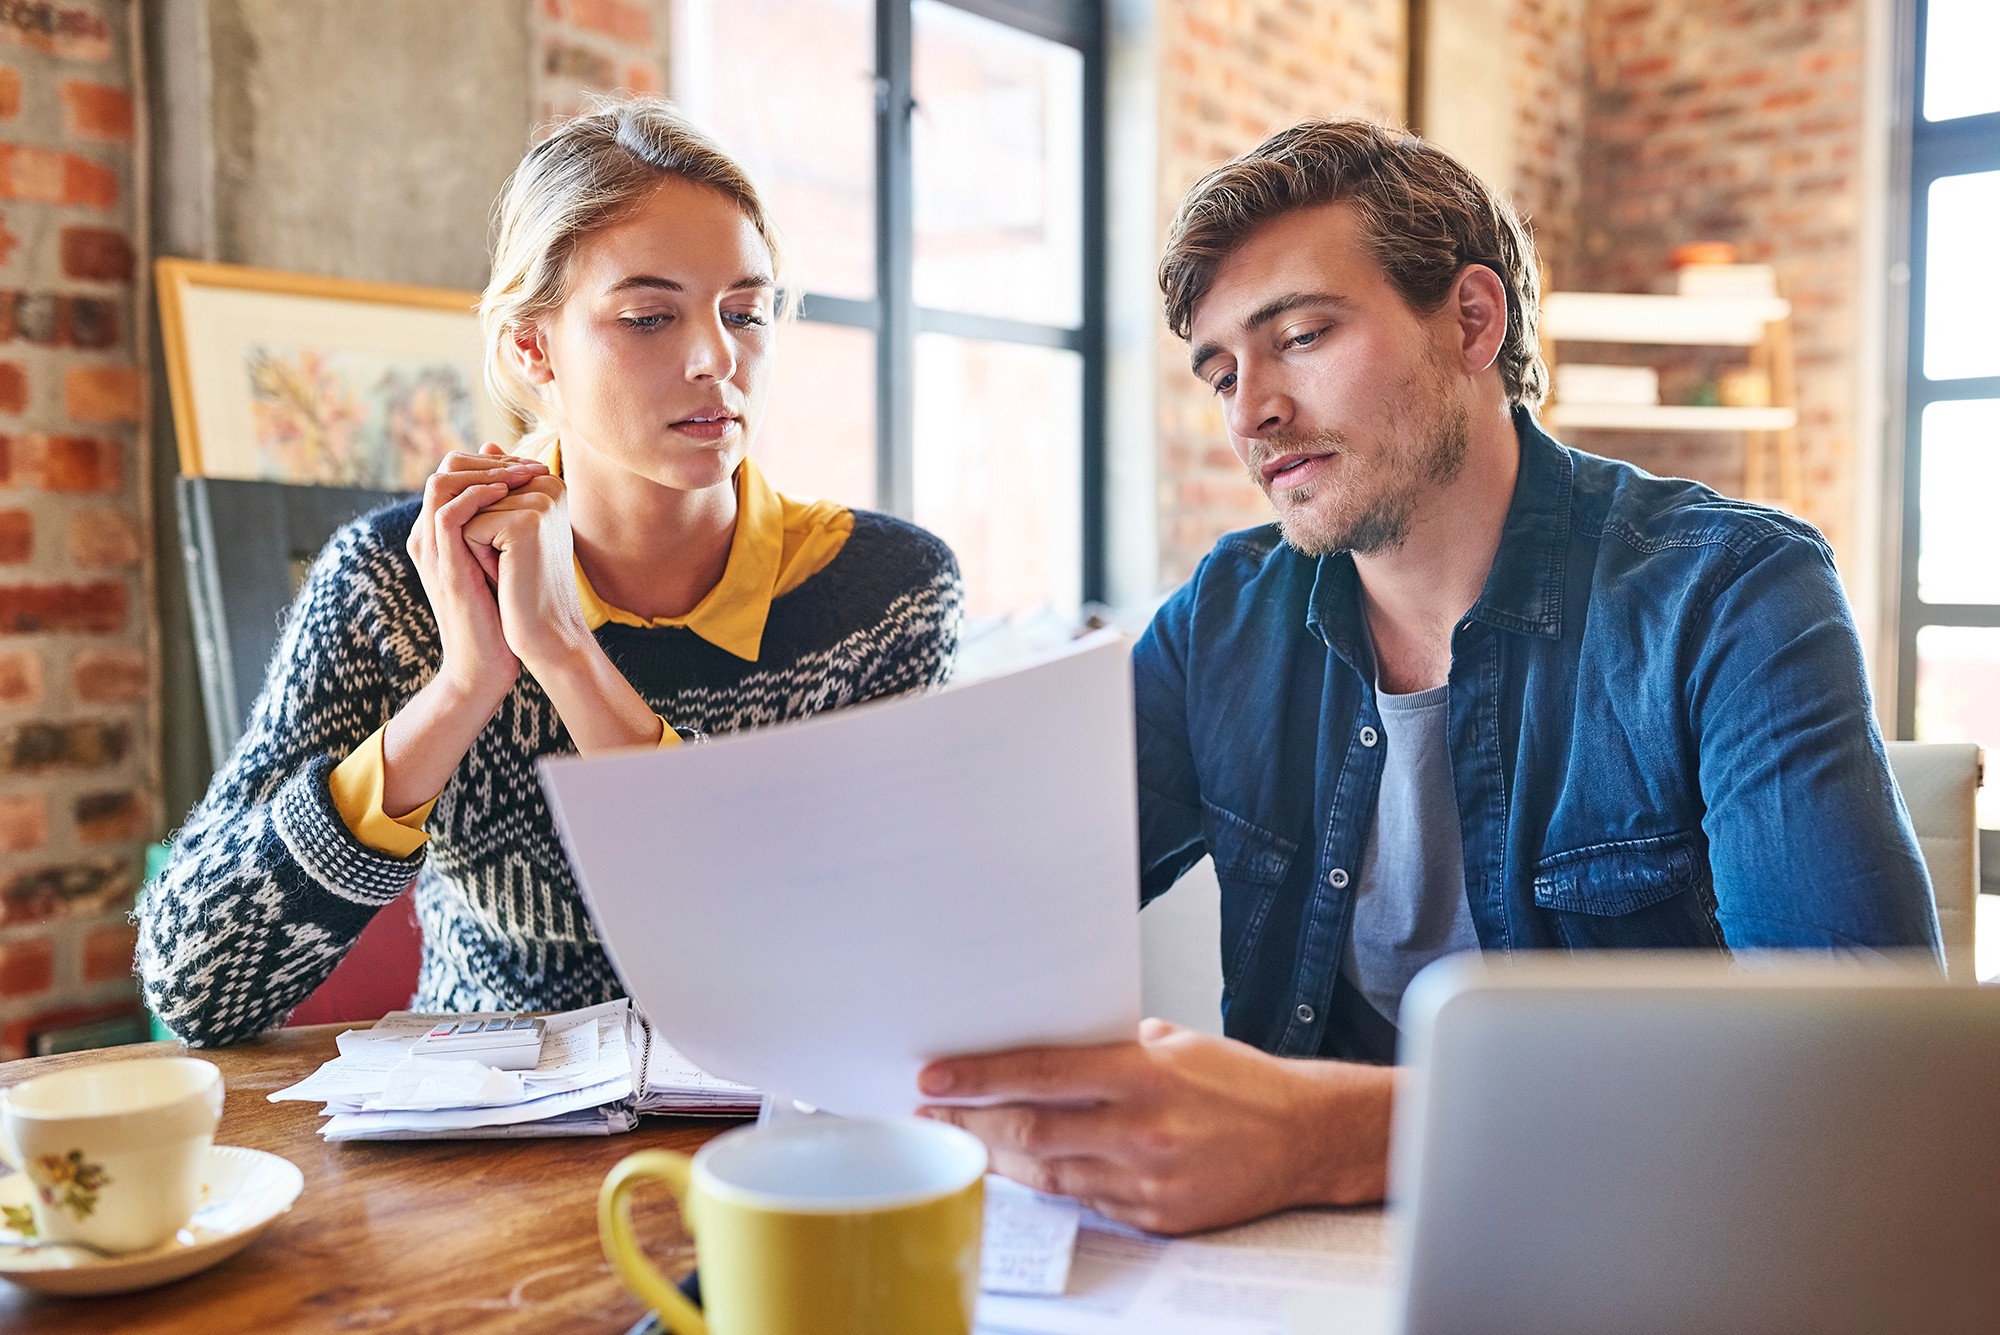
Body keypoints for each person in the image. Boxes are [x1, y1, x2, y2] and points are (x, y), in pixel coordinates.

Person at [918, 119, 1938, 1234]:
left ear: (1469, 319)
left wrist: (1326, 1134)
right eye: (1220, 372)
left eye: (1298, 335)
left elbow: (1857, 1077)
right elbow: (983, 911)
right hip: (1281, 1266)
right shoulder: (1224, 614)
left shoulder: (1730, 592)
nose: (1250, 410)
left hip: (1632, 1242)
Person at [140, 97, 962, 1046]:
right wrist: (461, 688)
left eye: (748, 311)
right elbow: (195, 985)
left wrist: (566, 654)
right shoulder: (397, 583)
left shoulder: (884, 594)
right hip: (475, 1151)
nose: (716, 359)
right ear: (533, 347)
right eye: (650, 317)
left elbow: (847, 956)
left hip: (770, 1134)